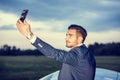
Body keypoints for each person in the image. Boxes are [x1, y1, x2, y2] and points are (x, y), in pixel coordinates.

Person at [16, 20, 96, 80]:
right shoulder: (86, 52)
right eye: (66, 35)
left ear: (80, 39)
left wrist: (29, 35)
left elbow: (54, 53)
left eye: (70, 35)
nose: (66, 38)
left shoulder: (79, 54)